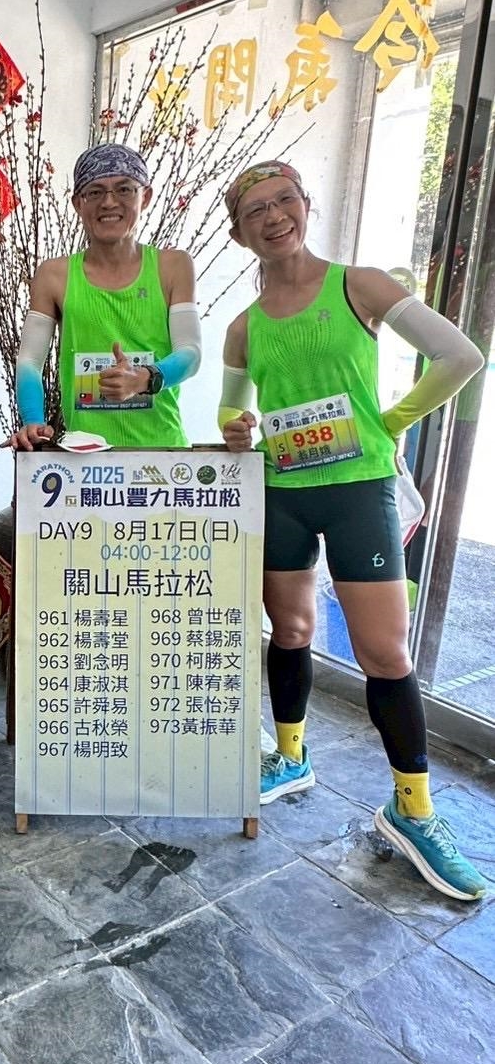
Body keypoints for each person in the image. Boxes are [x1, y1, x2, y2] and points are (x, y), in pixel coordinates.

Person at [219, 160, 485, 901]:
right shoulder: (242, 328)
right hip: (282, 492)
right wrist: (237, 428)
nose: (274, 217)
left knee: (384, 653)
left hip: (360, 490)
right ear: (239, 232)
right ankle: (291, 756)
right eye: (255, 210)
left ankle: (413, 809)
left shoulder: (358, 286)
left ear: (306, 205)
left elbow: (462, 356)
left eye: (284, 201)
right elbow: (232, 409)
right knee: (290, 630)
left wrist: (389, 422)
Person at [9, 142, 201, 451]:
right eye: (95, 192)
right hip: (85, 454)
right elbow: (30, 360)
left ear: (145, 197)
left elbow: (191, 353)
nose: (109, 202)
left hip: (163, 455)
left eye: (124, 190)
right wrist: (33, 420)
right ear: (78, 203)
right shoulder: (54, 275)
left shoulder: (173, 266)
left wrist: (145, 378)